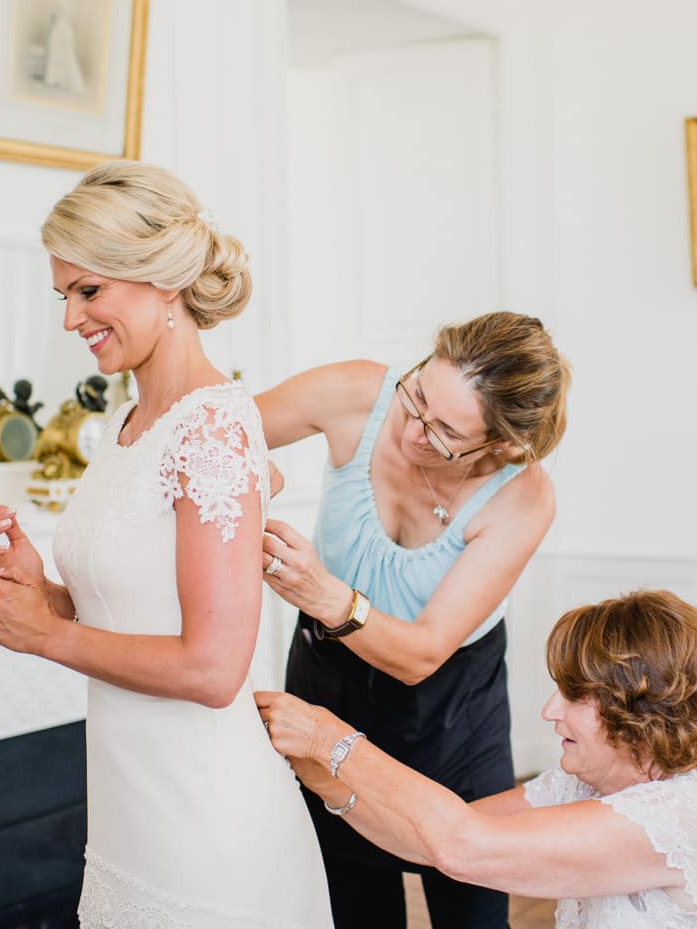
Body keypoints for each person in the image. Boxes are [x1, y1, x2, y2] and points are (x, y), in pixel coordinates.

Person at [0, 161, 332, 929]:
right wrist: (45, 592)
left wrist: (47, 634)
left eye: (88, 290)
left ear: (163, 282)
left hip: (207, 822)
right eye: (64, 293)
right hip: (134, 814)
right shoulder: (127, 425)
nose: (71, 318)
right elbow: (136, 608)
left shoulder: (216, 428)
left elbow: (211, 666)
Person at [254, 312, 569, 929]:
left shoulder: (522, 495)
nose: (413, 430)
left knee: (470, 907)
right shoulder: (357, 395)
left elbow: (422, 654)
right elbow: (209, 429)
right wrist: (242, 469)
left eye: (445, 431)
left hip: (450, 709)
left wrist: (322, 593)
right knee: (351, 905)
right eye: (418, 395)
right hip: (330, 685)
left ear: (501, 446)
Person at [256, 590, 697, 929]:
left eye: (574, 697)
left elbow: (463, 847)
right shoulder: (580, 786)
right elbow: (430, 846)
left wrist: (332, 739)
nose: (549, 711)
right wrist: (324, 779)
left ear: (638, 710)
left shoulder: (681, 817)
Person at [42, 0, 86, 93]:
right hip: (66, 29)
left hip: (61, 28)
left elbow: (54, 16)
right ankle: (59, 79)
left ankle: (56, 80)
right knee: (61, 52)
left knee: (59, 51)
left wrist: (50, 26)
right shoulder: (70, 1)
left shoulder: (60, 0)